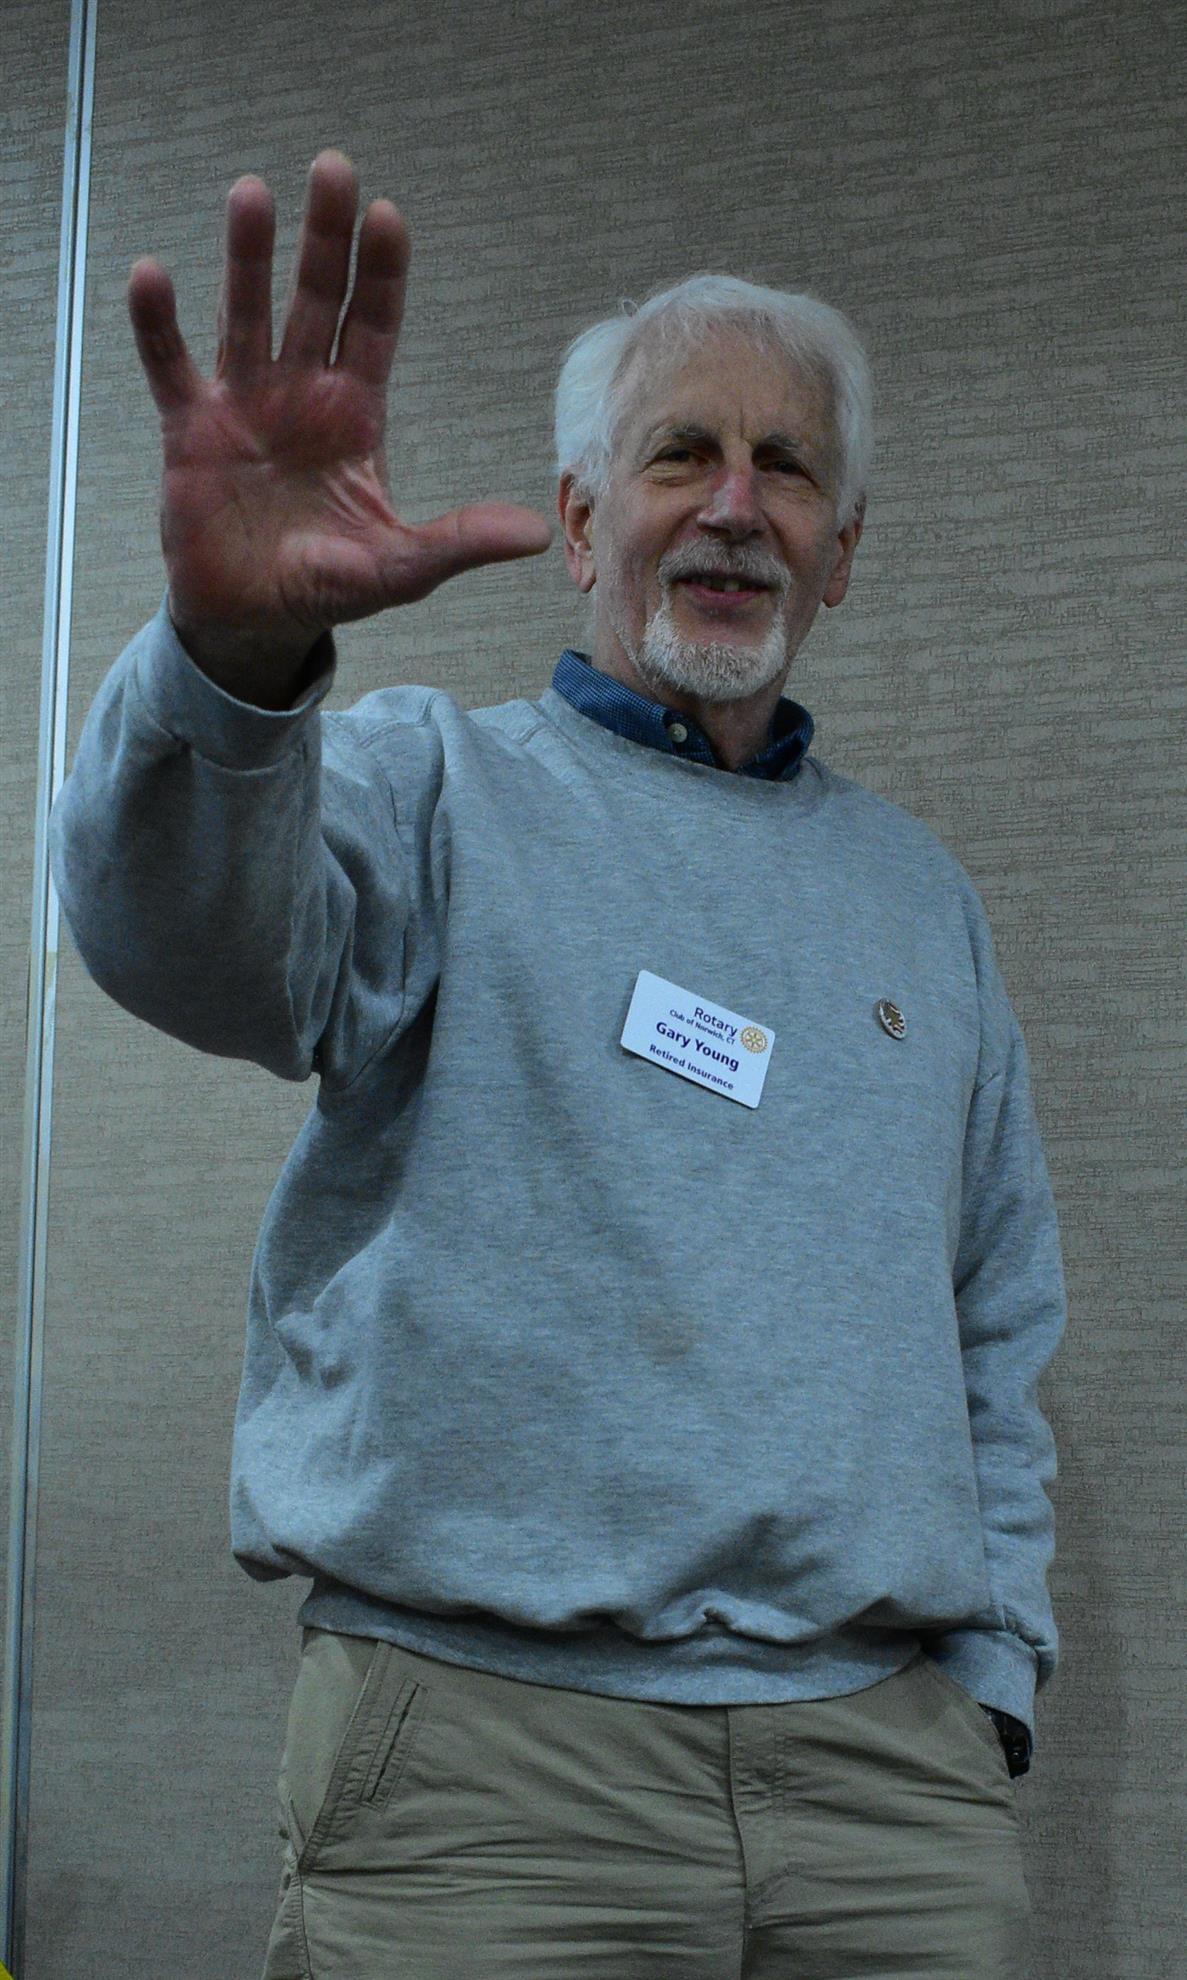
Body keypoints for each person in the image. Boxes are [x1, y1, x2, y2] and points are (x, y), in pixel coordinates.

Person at [50, 149, 1066, 1978]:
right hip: (493, 1780)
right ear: (586, 525)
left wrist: (988, 1683)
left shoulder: (921, 899)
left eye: (787, 467)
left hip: (886, 1793)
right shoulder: (427, 786)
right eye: (683, 454)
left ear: (843, 551)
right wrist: (232, 658)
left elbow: (996, 1317)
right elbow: (175, 941)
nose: (737, 505)